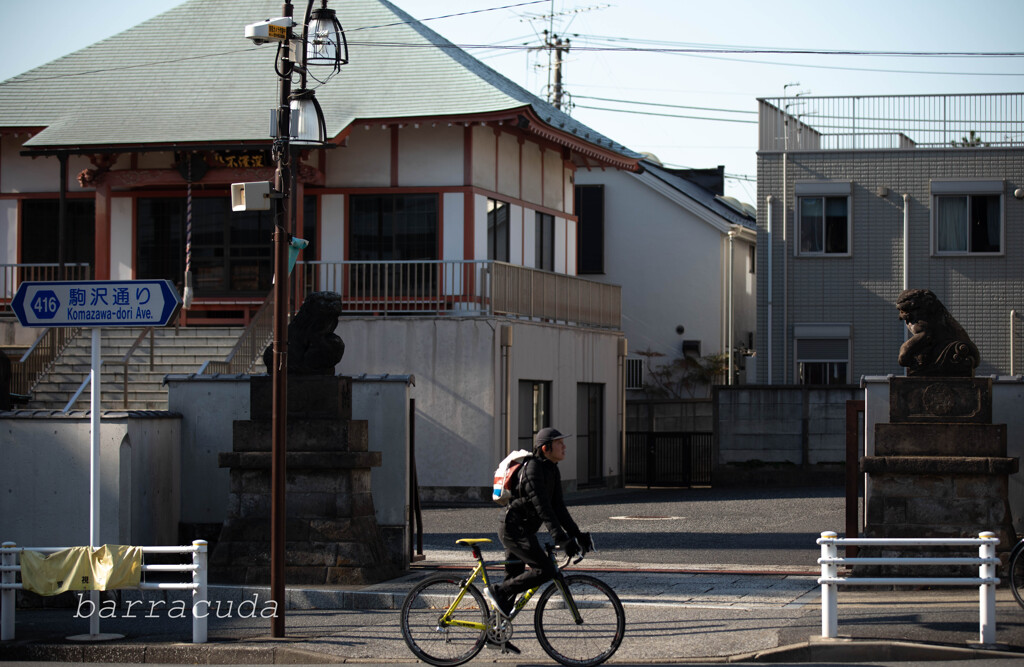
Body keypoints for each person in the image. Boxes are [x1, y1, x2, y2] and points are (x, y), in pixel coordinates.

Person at [484, 427, 592, 636]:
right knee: (545, 570)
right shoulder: (533, 469)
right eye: (559, 443)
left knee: (512, 585)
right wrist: (560, 538)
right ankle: (498, 591)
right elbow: (543, 508)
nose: (564, 447)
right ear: (546, 448)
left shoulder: (552, 469)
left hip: (523, 530)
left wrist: (577, 535)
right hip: (513, 529)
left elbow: (558, 508)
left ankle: (494, 634)